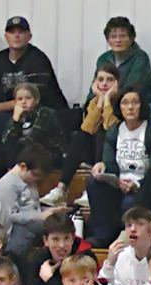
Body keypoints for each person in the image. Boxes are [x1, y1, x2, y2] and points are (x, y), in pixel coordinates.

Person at [86, 86, 151, 247]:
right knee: (93, 182)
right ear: (119, 107)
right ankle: (103, 235)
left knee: (131, 201)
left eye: (135, 102)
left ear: (142, 106)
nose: (130, 107)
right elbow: (108, 162)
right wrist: (102, 169)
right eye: (125, 103)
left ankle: (128, 235)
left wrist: (136, 185)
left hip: (144, 185)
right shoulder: (114, 131)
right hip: (119, 183)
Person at [0, 16, 68, 144]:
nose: (16, 36)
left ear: (29, 36)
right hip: (6, 113)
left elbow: (30, 101)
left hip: (39, 114)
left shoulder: (38, 59)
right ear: (6, 37)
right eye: (12, 32)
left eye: (21, 32)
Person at [40, 62, 120, 208]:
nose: (104, 84)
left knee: (103, 134)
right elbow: (87, 128)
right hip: (93, 151)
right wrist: (100, 102)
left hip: (115, 152)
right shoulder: (93, 102)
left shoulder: (122, 102)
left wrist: (107, 101)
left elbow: (112, 128)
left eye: (109, 80)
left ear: (117, 84)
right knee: (81, 136)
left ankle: (92, 189)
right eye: (100, 80)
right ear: (94, 83)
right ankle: (61, 189)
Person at [0, 145, 61, 257]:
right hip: (18, 227)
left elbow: (34, 206)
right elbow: (10, 215)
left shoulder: (29, 181)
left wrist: (50, 211)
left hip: (33, 222)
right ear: (23, 167)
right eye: (35, 175)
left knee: (61, 221)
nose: (36, 179)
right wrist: (40, 216)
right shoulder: (7, 184)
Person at [0, 82, 66, 179]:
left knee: (25, 149)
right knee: (0, 152)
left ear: (37, 100)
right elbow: (6, 140)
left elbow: (33, 139)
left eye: (28, 98)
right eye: (20, 99)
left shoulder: (46, 114)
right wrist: (16, 121)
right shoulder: (17, 116)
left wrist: (14, 143)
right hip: (26, 154)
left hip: (49, 154)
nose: (24, 102)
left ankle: (14, 176)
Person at [25, 210, 96, 285]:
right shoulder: (38, 259)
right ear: (46, 241)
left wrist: (50, 279)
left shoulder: (85, 257)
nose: (61, 245)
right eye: (55, 239)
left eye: (66, 238)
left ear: (73, 239)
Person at [98, 207, 151, 285]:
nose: (132, 229)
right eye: (128, 225)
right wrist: (110, 263)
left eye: (140, 224)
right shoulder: (120, 255)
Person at [91, 16, 151, 101]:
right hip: (106, 102)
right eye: (113, 37)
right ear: (107, 40)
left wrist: (108, 96)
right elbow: (95, 86)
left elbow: (132, 88)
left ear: (131, 39)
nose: (118, 40)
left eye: (122, 36)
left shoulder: (140, 58)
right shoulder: (103, 59)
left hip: (134, 105)